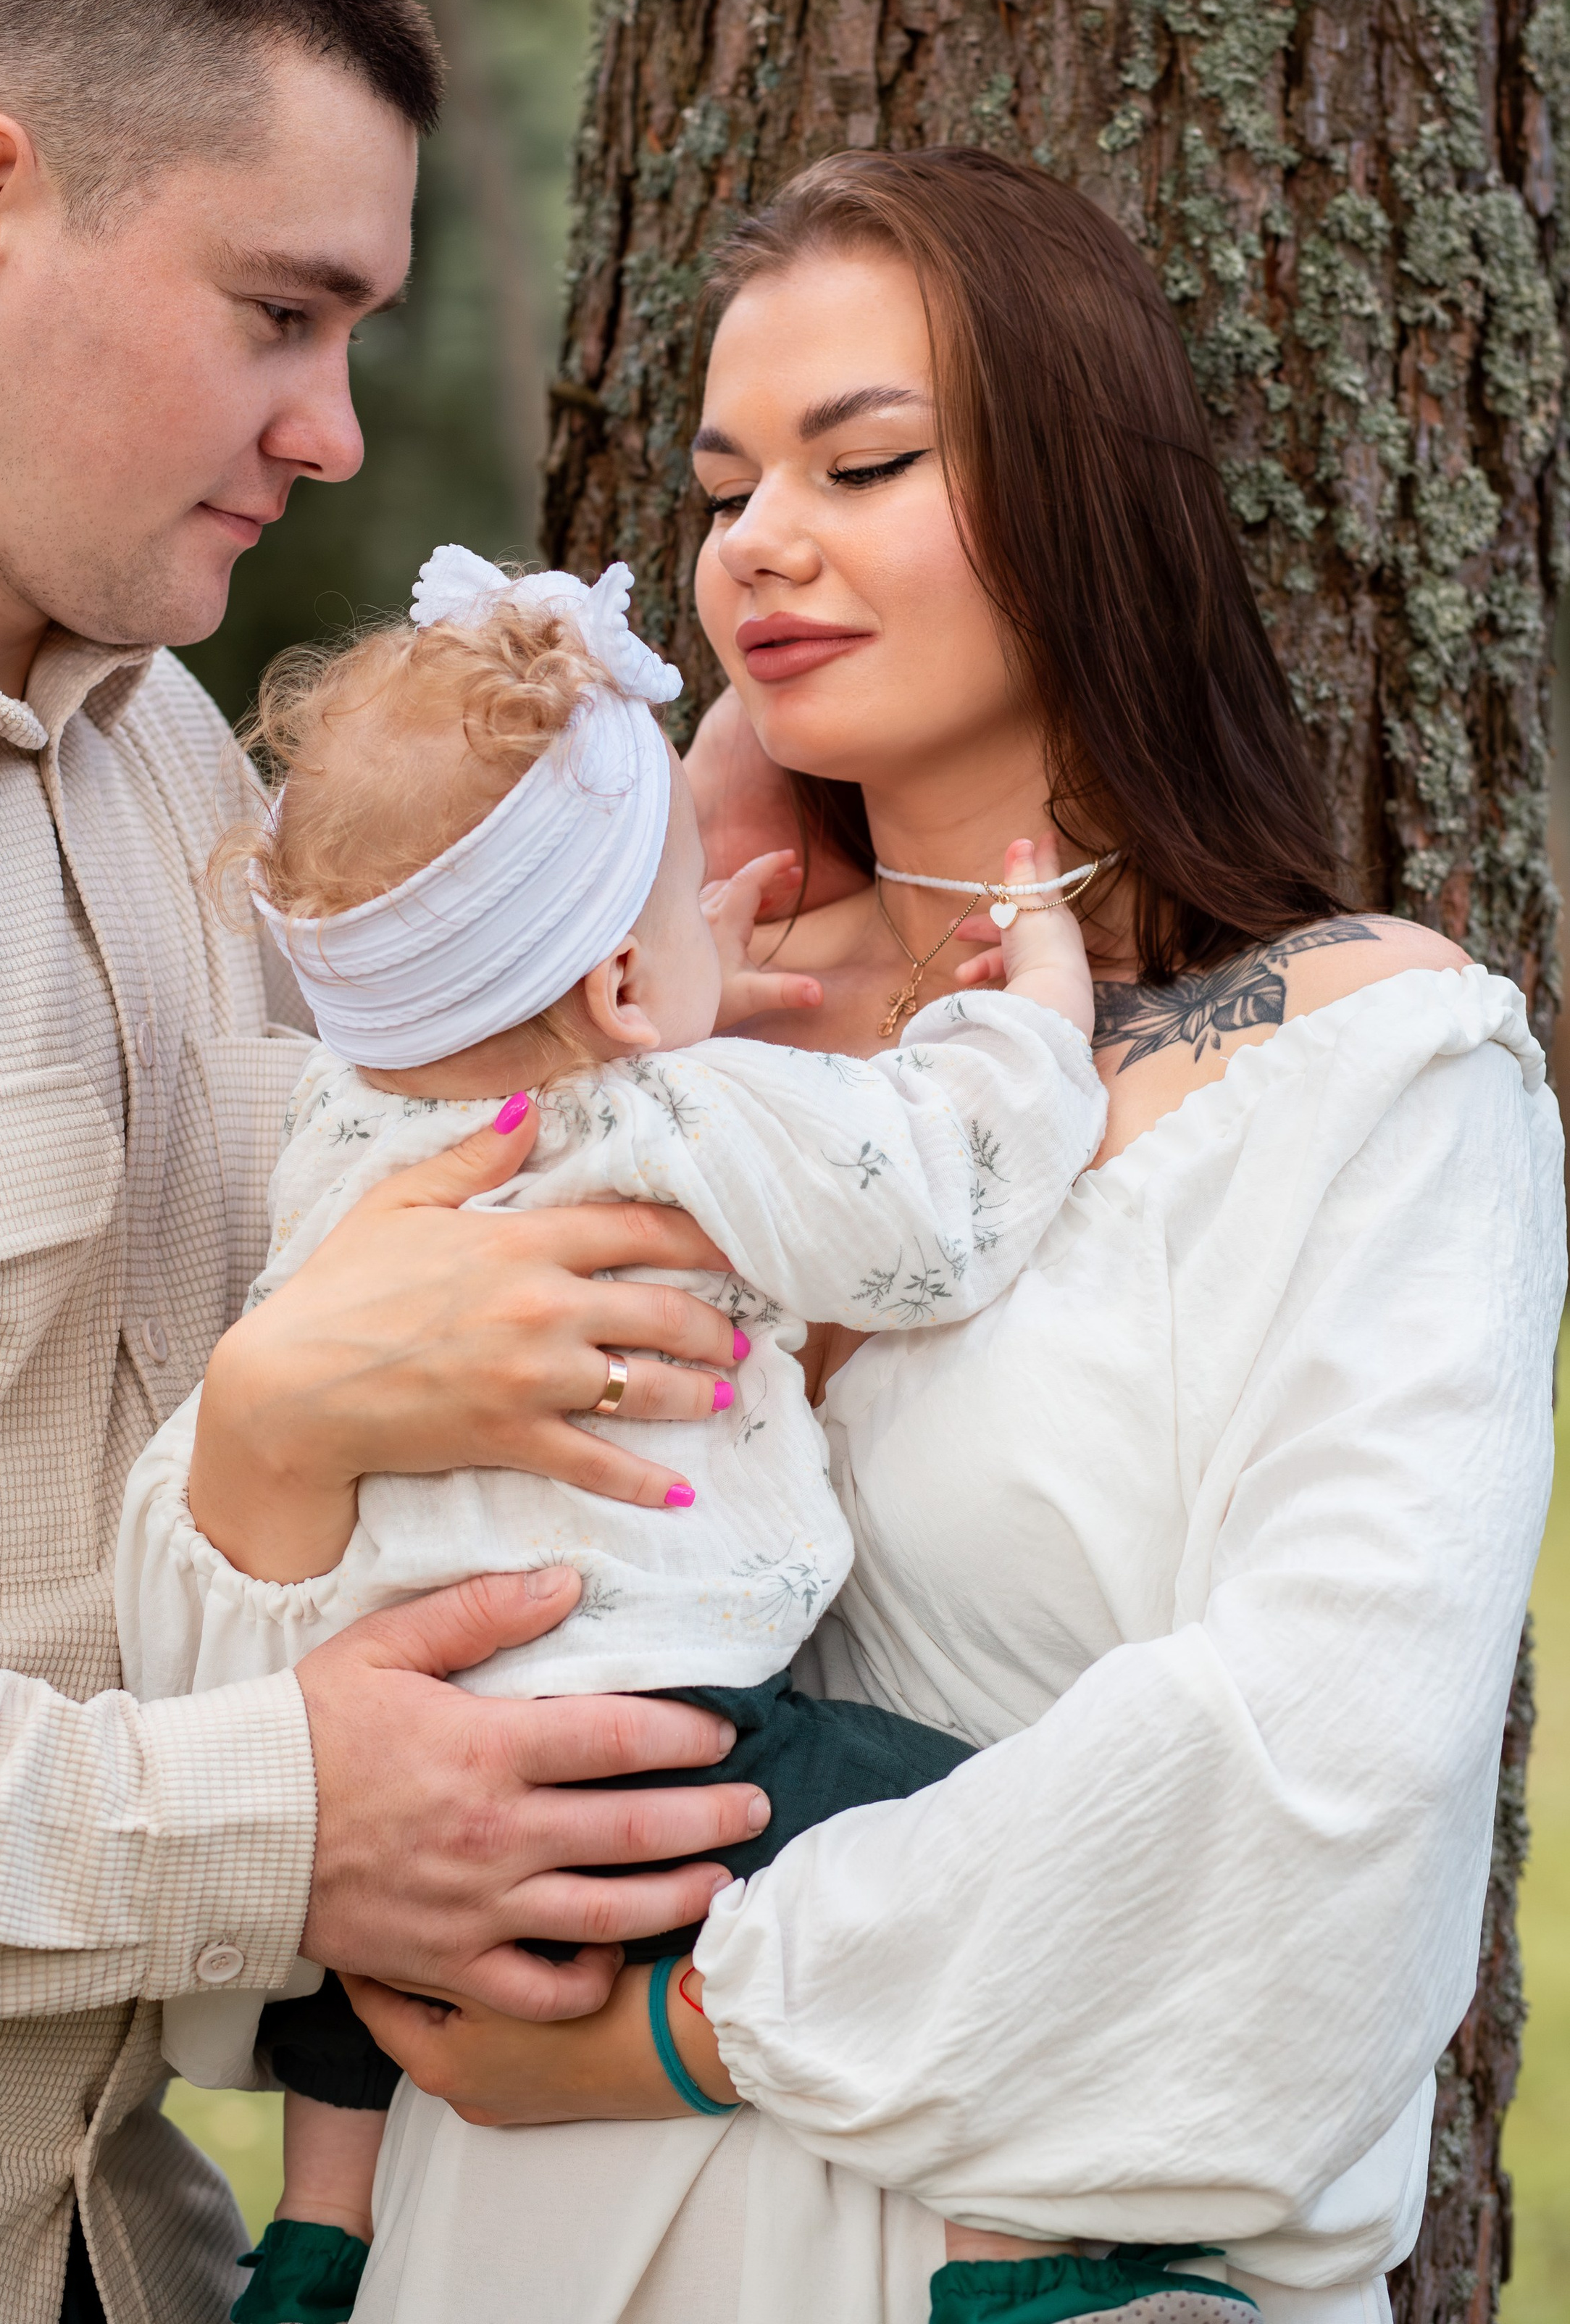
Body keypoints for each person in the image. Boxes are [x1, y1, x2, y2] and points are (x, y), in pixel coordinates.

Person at [192, 149, 1563, 2324]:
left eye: (868, 461)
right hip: (493, 2252)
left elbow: (1323, 1772)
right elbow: (234, 1752)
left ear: (1086, 501)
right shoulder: (572, 1057)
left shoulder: (1377, 1065)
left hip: (990, 2244)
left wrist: (672, 2026)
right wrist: (264, 1435)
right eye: (728, 489)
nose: (760, 548)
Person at [0, 0, 785, 2324]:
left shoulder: (193, 770)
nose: (327, 429)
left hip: (150, 2249)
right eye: (279, 312)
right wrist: (267, 1822)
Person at [115, 541, 1113, 2323]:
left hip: (390, 1747)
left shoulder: (341, 1132)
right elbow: (936, 1196)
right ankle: (1030, 2269)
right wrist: (1028, 1008)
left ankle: (317, 2243)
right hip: (648, 1743)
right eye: (671, 899)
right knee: (985, 1850)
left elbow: (548, 1057)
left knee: (352, 1964)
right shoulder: (689, 1114)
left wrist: (659, 989)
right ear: (629, 998)